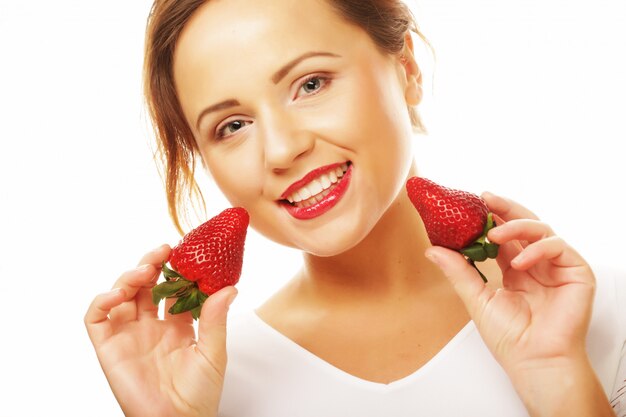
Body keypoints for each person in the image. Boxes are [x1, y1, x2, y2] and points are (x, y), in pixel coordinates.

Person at [84, 0, 625, 416]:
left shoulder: (594, 315)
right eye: (233, 126)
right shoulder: (204, 380)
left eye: (310, 83)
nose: (280, 149)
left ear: (407, 67)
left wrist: (559, 378)